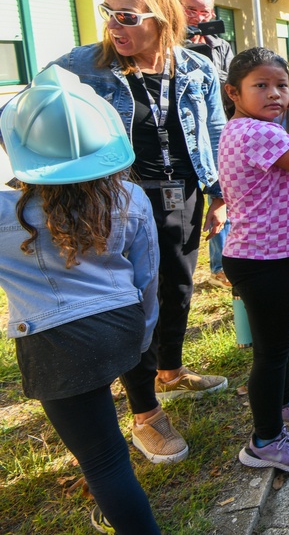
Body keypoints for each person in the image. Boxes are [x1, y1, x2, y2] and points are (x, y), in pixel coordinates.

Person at [49, 0, 229, 466]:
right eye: (108, 12)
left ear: (163, 18)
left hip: (182, 196)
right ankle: (146, 416)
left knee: (177, 288)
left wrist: (219, 194)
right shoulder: (81, 67)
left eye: (126, 16)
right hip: (117, 202)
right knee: (135, 301)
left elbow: (214, 131)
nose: (114, 25)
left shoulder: (196, 69)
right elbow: (29, 118)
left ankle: (168, 373)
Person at [0, 65, 161, 533]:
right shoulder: (129, 195)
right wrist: (142, 334)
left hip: (54, 346)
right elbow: (148, 276)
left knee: (105, 462)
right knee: (100, 414)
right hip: (123, 328)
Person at [217, 47, 289, 472]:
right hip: (263, 259)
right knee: (271, 353)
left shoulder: (243, 127)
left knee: (275, 349)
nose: (275, 94)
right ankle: (265, 441)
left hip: (263, 254)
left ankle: (285, 406)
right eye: (260, 86)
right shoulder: (259, 134)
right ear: (233, 92)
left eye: (282, 85)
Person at [177, 0, 235, 288]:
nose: (199, 16)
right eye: (192, 9)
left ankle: (220, 266)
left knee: (222, 193)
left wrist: (207, 61)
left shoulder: (220, 45)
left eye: (205, 10)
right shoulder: (167, 43)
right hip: (182, 137)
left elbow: (230, 83)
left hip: (215, 129)